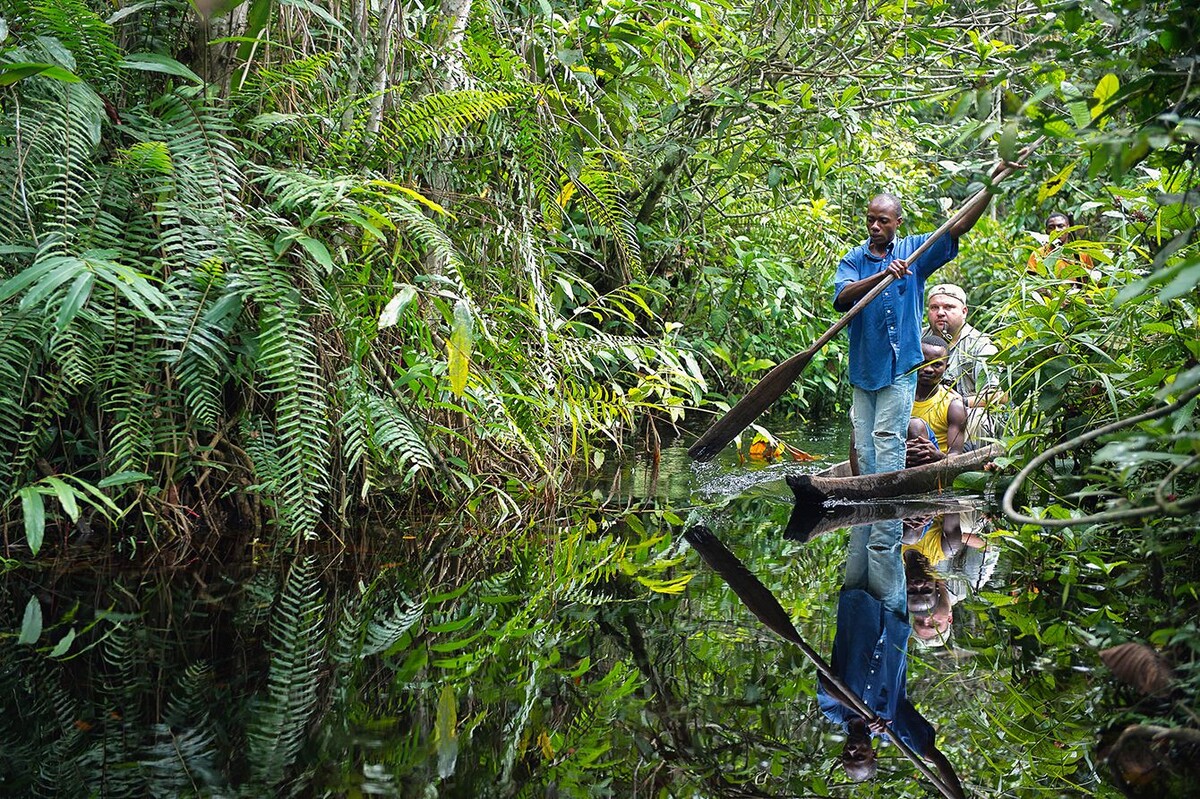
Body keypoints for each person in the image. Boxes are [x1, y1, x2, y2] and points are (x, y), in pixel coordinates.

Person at [834, 182, 1000, 476]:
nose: (874, 226)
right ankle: (869, 494)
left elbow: (958, 225)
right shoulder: (854, 259)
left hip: (901, 368)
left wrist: (989, 187)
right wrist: (882, 275)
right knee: (863, 442)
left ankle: (886, 498)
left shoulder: (915, 251)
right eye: (870, 219)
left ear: (897, 223)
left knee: (887, 437)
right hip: (864, 367)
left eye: (882, 221)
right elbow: (843, 298)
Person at [817, 519, 966, 796]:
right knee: (883, 543)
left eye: (847, 756)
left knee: (862, 525)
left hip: (854, 603)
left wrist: (861, 709)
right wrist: (958, 795)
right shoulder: (893, 721)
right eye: (859, 756)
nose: (852, 750)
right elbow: (932, 755)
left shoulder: (833, 711)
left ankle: (870, 481)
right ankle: (892, 476)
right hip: (889, 613)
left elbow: (827, 683)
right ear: (873, 755)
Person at [924, 283, 1002, 441]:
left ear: (964, 311)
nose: (940, 313)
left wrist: (961, 401)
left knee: (979, 417)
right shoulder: (917, 338)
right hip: (923, 409)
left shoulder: (980, 345)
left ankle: (971, 464)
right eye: (934, 307)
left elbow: (998, 395)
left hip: (965, 413)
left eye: (948, 307)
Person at [905, 336, 967, 467]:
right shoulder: (900, 397)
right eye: (923, 362)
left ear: (946, 367)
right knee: (858, 432)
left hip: (934, 463)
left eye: (937, 364)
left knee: (915, 426)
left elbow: (956, 455)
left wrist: (936, 454)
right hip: (901, 455)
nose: (928, 369)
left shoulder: (953, 405)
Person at [1025, 211, 1096, 283]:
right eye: (1051, 227)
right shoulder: (1038, 254)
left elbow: (1091, 280)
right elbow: (1032, 281)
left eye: (1061, 226)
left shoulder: (1082, 254)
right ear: (1046, 231)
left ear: (1068, 229)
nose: (1056, 230)